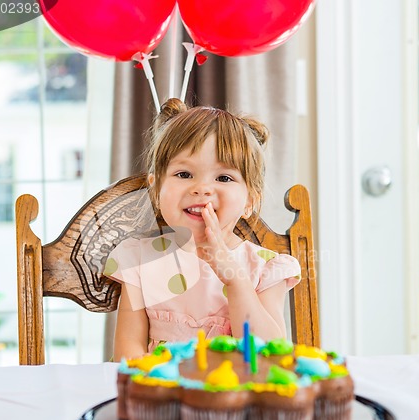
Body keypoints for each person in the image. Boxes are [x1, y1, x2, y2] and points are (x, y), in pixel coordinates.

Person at [104, 98, 301, 361]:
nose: (202, 188)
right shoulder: (139, 260)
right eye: (184, 174)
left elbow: (269, 355)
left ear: (249, 201)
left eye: (223, 178)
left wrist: (234, 278)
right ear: (156, 189)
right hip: (162, 394)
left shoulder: (263, 268)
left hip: (235, 397)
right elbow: (127, 353)